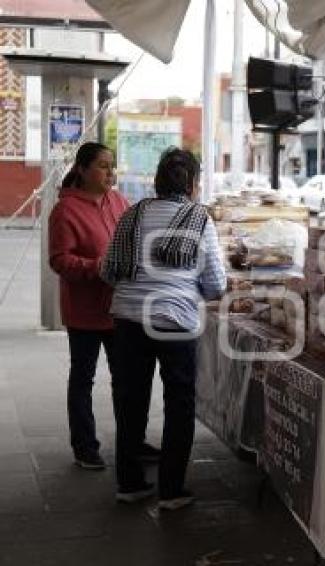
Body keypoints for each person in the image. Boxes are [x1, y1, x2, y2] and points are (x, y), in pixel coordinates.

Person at [102, 147, 226, 509]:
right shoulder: (200, 221)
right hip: (175, 322)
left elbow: (108, 271)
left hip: (127, 319)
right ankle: (171, 490)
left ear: (157, 181)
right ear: (192, 184)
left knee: (130, 401)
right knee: (179, 403)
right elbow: (215, 285)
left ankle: (129, 484)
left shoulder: (131, 214)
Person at [48, 141, 160, 470]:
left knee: (126, 380)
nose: (110, 172)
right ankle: (84, 446)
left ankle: (133, 442)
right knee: (82, 379)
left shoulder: (118, 201)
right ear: (82, 170)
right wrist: (98, 267)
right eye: (102, 166)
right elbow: (59, 260)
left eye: (113, 166)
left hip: (120, 309)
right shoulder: (65, 211)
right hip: (84, 311)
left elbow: (133, 239)